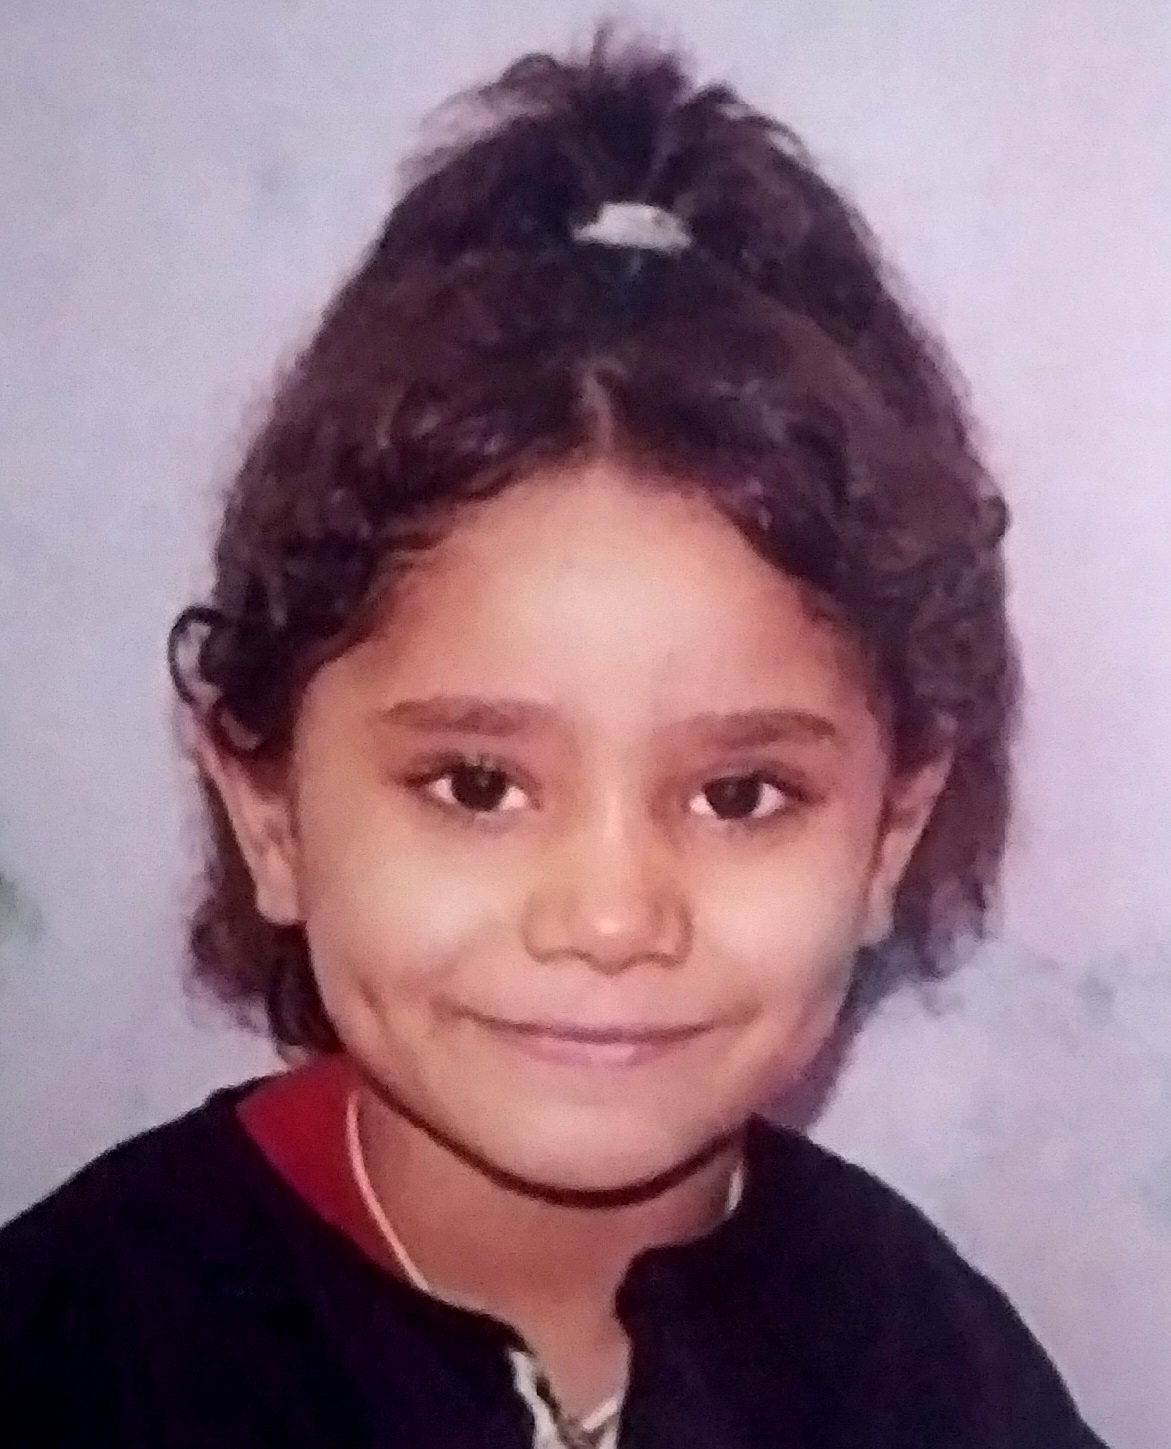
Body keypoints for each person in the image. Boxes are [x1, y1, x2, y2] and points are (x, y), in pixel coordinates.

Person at [0, 29, 1108, 1449]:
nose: (610, 916)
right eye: (477, 783)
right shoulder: (74, 1352)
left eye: (740, 793)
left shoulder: (929, 1366)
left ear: (890, 832)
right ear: (267, 810)